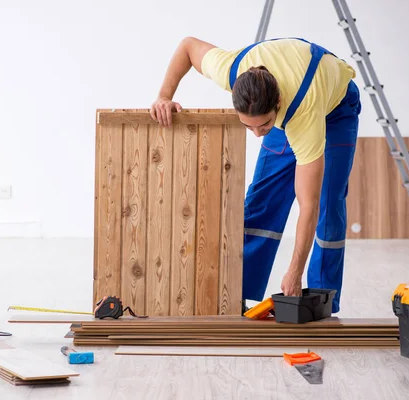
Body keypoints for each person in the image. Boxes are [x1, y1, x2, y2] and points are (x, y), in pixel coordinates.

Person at [150, 36, 361, 313]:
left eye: (263, 126)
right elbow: (188, 47)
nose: (258, 134)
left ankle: (320, 300)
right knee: (262, 198)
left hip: (334, 109)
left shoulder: (303, 114)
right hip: (288, 101)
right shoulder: (231, 70)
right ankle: (240, 294)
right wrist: (164, 96)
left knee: (327, 201)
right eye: (249, 127)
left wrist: (294, 272)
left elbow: (308, 205)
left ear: (278, 104)